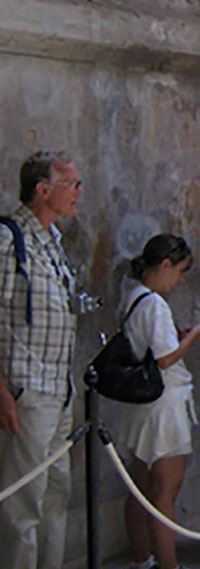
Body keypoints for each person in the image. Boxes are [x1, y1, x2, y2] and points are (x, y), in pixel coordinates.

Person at [0, 151, 87, 569]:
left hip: (58, 388)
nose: (78, 192)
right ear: (43, 189)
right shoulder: (7, 240)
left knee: (56, 495)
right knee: (22, 505)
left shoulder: (53, 241)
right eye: (71, 184)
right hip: (26, 388)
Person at [116, 234, 200, 569]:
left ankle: (141, 558)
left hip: (141, 406)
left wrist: (181, 333)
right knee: (165, 492)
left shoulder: (132, 296)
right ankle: (169, 564)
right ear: (164, 265)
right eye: (180, 270)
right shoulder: (155, 303)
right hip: (164, 405)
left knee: (141, 487)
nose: (181, 278)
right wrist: (195, 335)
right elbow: (165, 358)